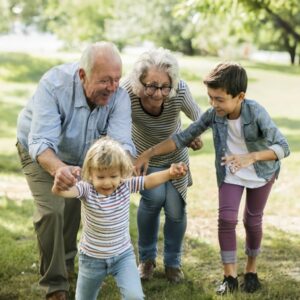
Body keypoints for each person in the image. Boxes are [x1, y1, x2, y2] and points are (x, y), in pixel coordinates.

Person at [134, 62, 290, 294]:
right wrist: (149, 152)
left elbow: (283, 147)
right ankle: (229, 277)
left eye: (219, 99)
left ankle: (251, 271)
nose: (213, 104)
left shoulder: (255, 112)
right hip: (231, 172)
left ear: (240, 96)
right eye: (210, 97)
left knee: (252, 220)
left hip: (261, 172)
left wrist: (252, 157)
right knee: (226, 220)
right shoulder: (213, 115)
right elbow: (182, 137)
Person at [16, 41, 136, 300]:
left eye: (117, 79)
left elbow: (122, 144)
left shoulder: (119, 96)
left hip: (86, 157)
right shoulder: (54, 85)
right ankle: (55, 286)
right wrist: (59, 169)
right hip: (40, 152)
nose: (113, 87)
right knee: (52, 211)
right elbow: (41, 142)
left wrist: (122, 170)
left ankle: (67, 262)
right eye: (105, 81)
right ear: (83, 75)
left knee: (75, 209)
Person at [52, 137, 188, 300]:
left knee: (135, 296)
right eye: (100, 177)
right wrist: (58, 186)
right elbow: (63, 193)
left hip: (123, 257)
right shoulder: (86, 189)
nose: (107, 183)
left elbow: (149, 180)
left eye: (113, 176)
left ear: (122, 173)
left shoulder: (125, 185)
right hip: (91, 259)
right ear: (90, 175)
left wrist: (169, 173)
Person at [121, 48, 203, 283]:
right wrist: (129, 158)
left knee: (176, 211)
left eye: (164, 87)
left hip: (176, 156)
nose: (158, 94)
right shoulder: (127, 92)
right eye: (151, 86)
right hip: (143, 158)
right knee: (153, 200)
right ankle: (146, 260)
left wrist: (194, 134)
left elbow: (199, 117)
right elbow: (116, 124)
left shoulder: (179, 91)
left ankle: (173, 263)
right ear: (139, 81)